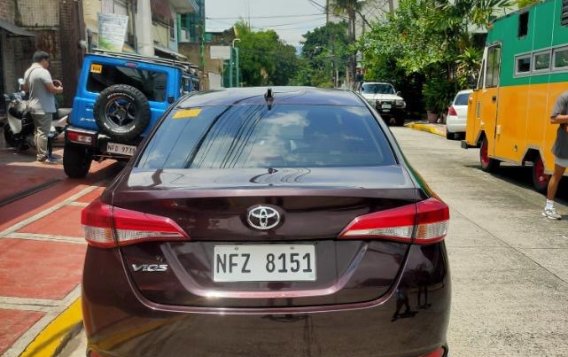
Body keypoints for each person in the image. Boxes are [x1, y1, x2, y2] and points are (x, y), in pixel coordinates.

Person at [23, 51, 63, 164]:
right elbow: (52, 89)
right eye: (48, 61)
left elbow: (25, 89)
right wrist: (60, 89)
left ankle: (39, 153)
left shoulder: (28, 71)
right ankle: (42, 156)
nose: (48, 63)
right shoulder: (43, 72)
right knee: (43, 133)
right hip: (43, 107)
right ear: (43, 60)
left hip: (33, 106)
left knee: (38, 131)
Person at [542, 91, 568, 220]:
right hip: (565, 145)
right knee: (557, 175)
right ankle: (548, 207)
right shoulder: (564, 97)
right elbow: (553, 118)